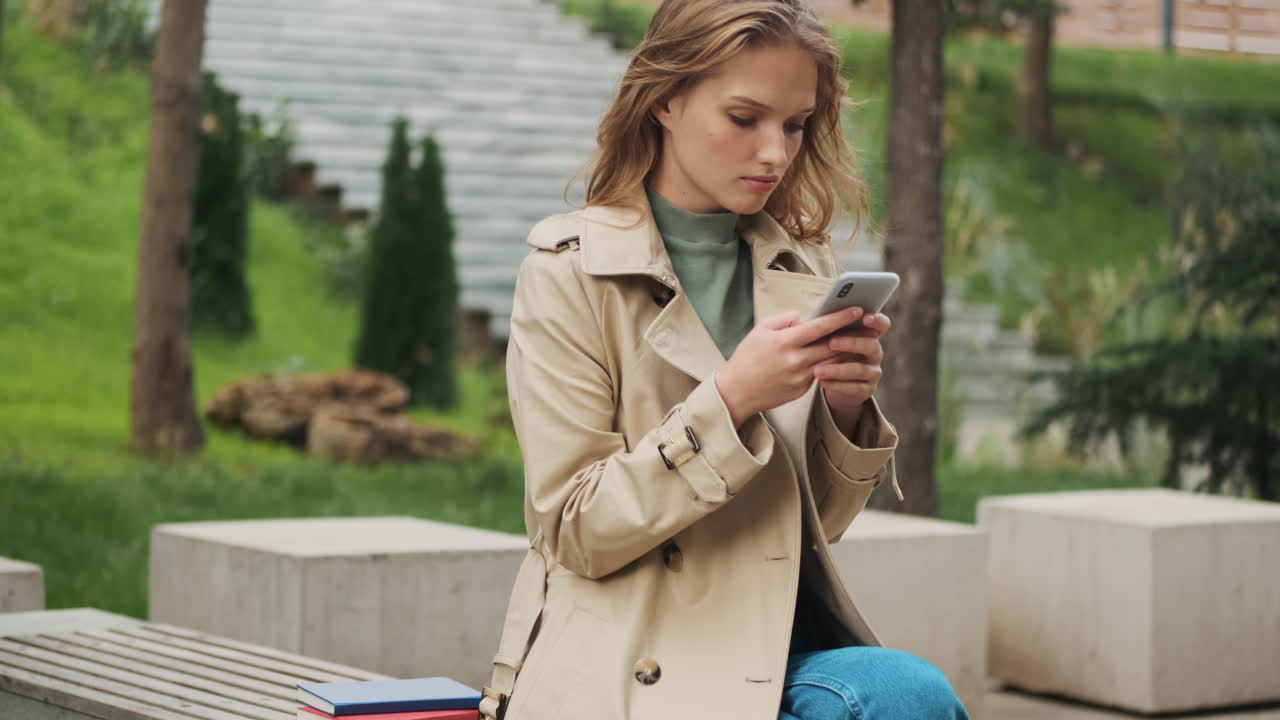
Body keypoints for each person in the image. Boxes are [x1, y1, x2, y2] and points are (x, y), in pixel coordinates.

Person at [479, 1, 969, 718]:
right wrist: (732, 400)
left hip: (773, 647)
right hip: (628, 659)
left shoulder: (800, 269)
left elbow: (811, 530)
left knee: (905, 693)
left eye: (796, 125)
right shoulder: (569, 273)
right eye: (746, 119)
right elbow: (576, 529)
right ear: (666, 100)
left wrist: (843, 408)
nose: (776, 152)